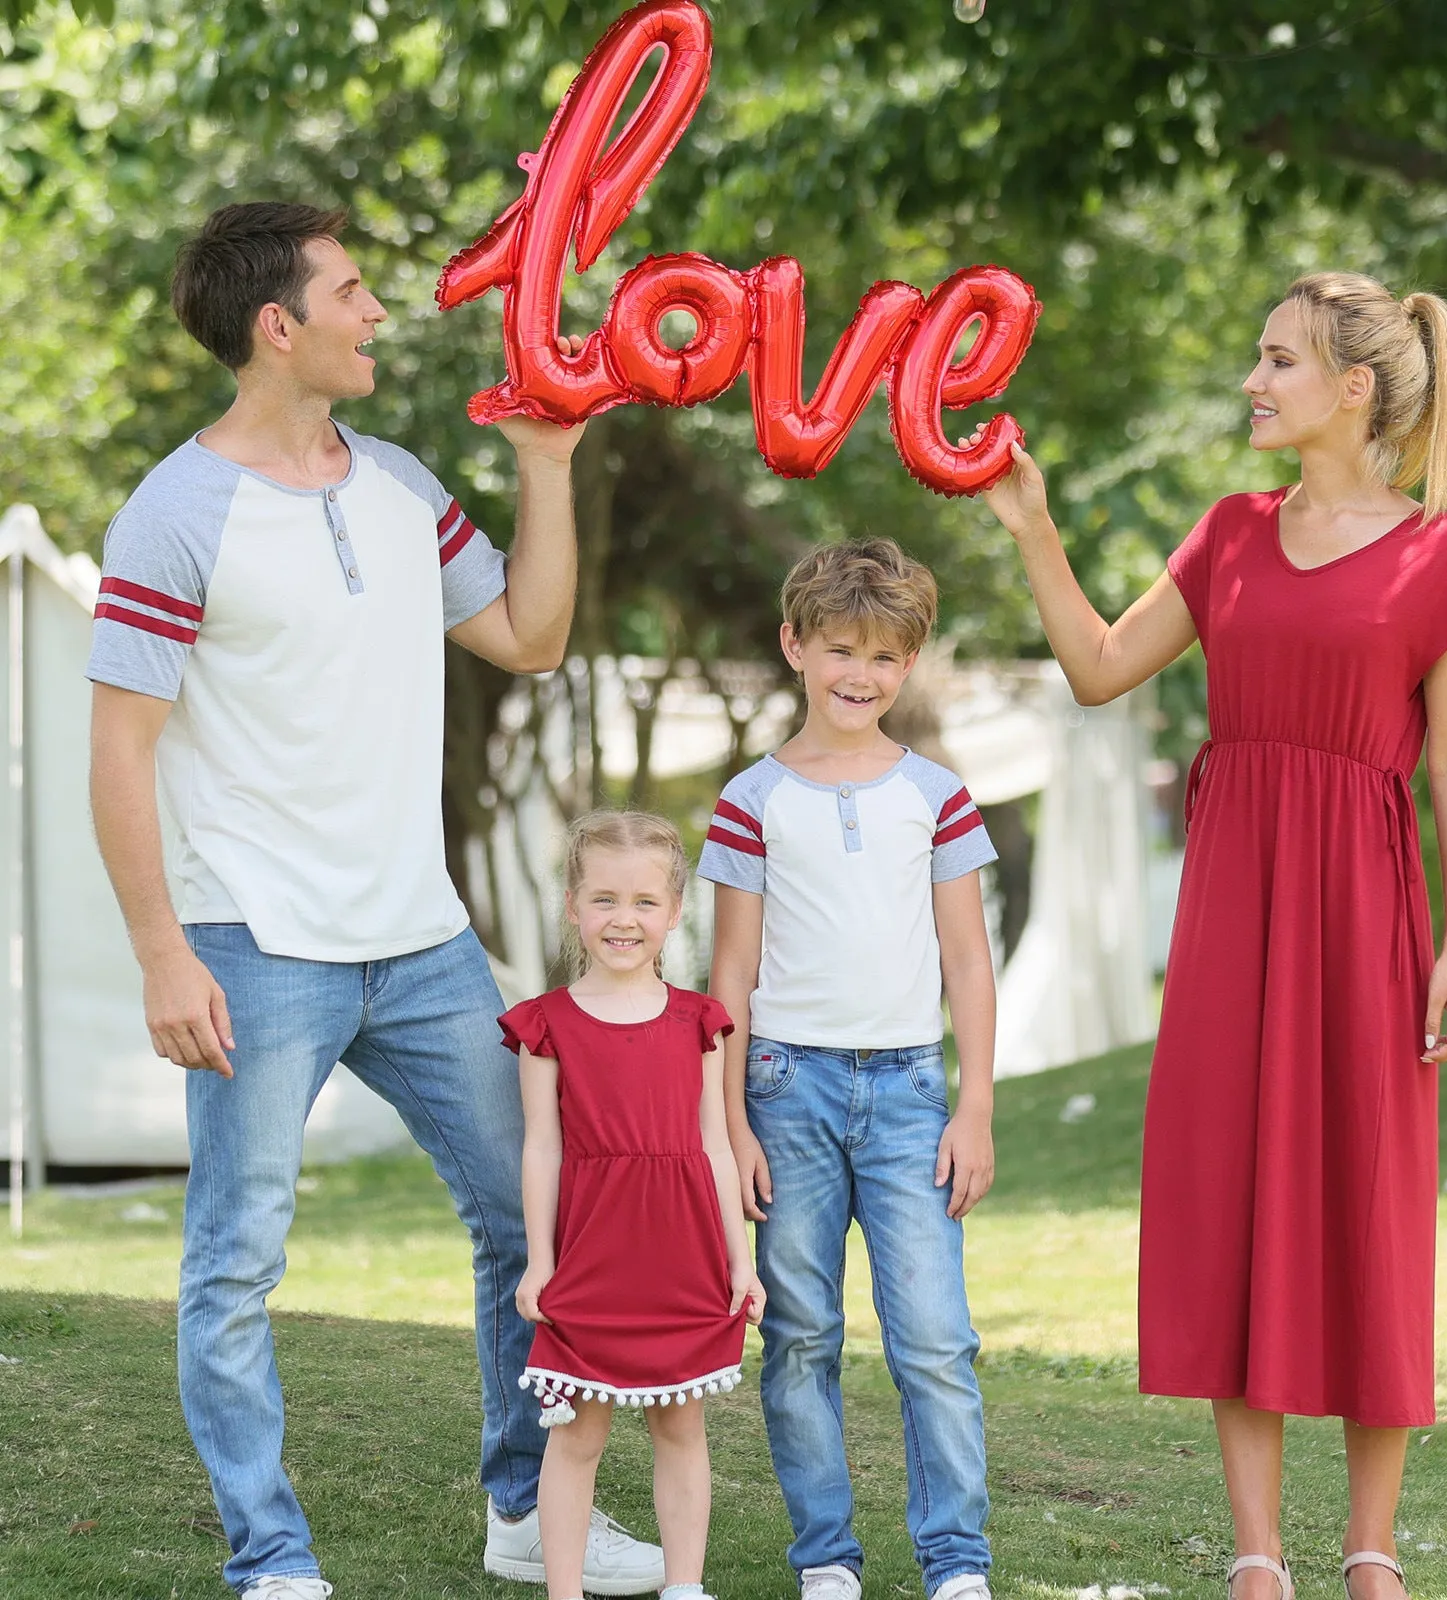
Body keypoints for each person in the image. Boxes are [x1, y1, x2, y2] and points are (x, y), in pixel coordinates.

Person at [86, 202, 662, 1600]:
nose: (378, 314)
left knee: (534, 1218)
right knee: (235, 1265)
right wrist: (164, 955)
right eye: (353, 291)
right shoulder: (176, 513)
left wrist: (545, 466)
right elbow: (119, 749)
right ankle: (269, 1557)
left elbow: (529, 638)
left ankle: (527, 1513)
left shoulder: (400, 483)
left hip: (424, 945)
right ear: (278, 326)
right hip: (254, 946)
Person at [974, 272, 1447, 1600]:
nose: (1254, 384)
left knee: (1369, 1200)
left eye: (1278, 361)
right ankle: (1257, 1553)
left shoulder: (1442, 553)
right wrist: (1032, 527)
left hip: (1369, 907)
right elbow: (1095, 667)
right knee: (1230, 1196)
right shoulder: (1227, 536)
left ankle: (1369, 1547)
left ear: (1355, 389)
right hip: (1233, 903)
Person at [701, 538, 1000, 1600]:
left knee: (932, 1341)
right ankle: (825, 1555)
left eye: (882, 655)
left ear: (909, 662)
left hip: (914, 1092)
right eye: (838, 649)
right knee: (800, 1334)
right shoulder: (751, 799)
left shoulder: (936, 794)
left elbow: (967, 958)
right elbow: (728, 972)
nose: (858, 675)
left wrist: (974, 1105)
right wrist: (729, 1125)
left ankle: (956, 1563)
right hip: (787, 1089)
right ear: (794, 645)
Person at [499, 810, 766, 1600]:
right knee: (576, 1433)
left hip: (683, 1255)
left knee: (681, 1426)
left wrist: (740, 1261)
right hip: (592, 1253)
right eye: (605, 899)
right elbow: (541, 1147)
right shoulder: (544, 1026)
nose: (625, 919)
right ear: (574, 907)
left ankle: (685, 1586)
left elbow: (715, 1144)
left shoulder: (700, 1023)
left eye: (646, 902)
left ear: (675, 911)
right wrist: (541, 1263)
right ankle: (564, 1592)